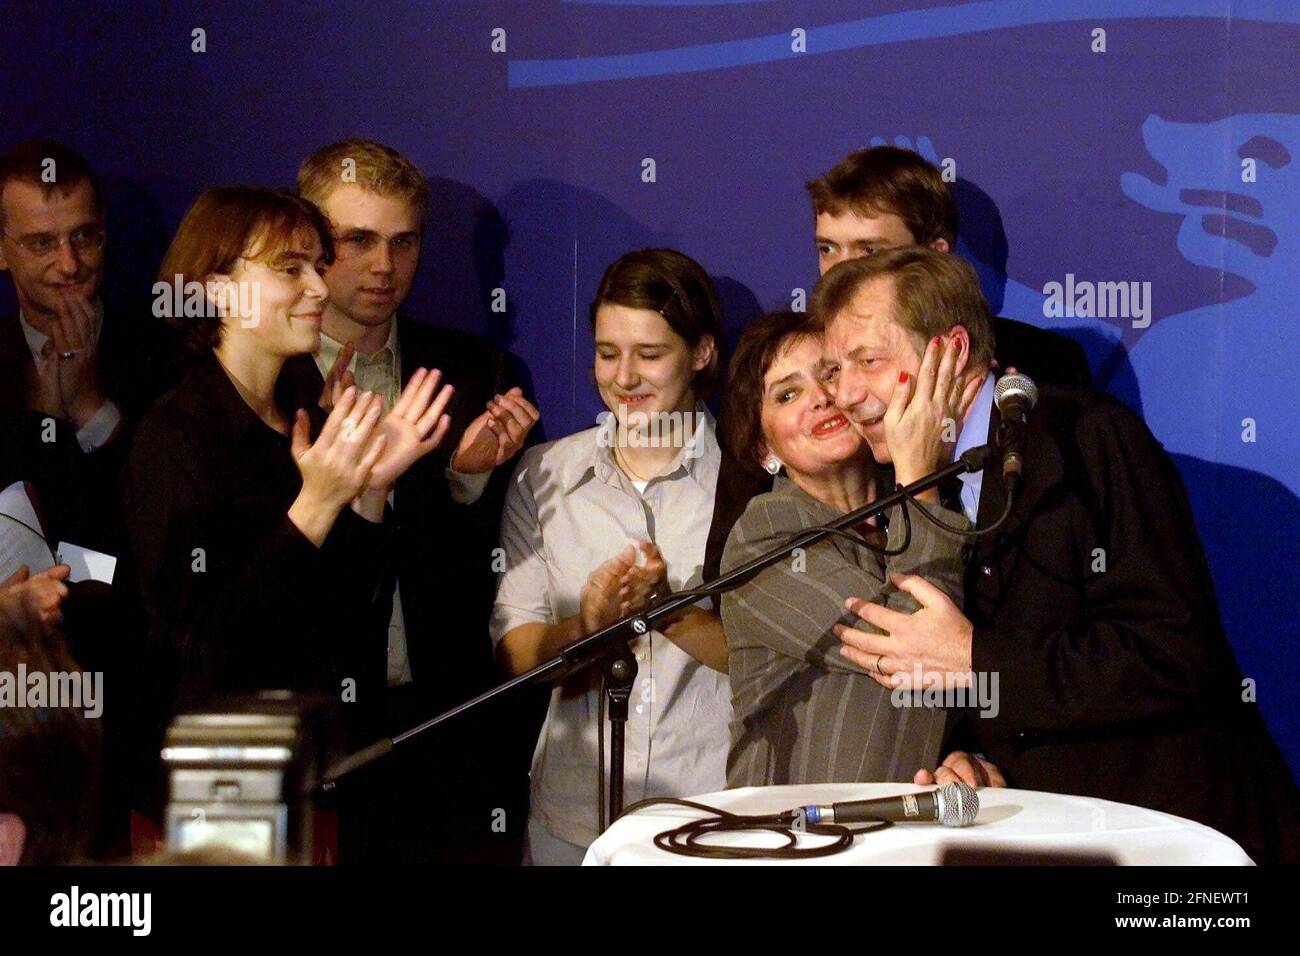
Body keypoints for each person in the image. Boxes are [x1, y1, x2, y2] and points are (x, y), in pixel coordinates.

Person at [819, 246, 1300, 864]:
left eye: (869, 361)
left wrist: (974, 658)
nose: (847, 394)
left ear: (953, 352)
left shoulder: (1084, 438)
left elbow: (1174, 655)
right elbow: (958, 669)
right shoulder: (905, 486)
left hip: (1177, 842)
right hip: (1052, 836)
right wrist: (970, 753)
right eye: (835, 370)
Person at [121, 187, 454, 846]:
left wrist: (370, 490)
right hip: (215, 795)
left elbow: (342, 625)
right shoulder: (174, 436)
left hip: (316, 773)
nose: (318, 287)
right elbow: (205, 651)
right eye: (289, 268)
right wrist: (318, 502)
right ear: (217, 289)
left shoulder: (304, 420)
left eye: (315, 264)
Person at [286, 139, 540, 863]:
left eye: (403, 241)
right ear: (309, 242)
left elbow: (507, 573)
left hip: (444, 734)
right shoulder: (264, 383)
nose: (383, 266)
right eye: (357, 240)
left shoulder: (479, 374)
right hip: (308, 739)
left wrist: (461, 482)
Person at [704, 144, 1092, 587]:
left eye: (869, 251)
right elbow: (730, 578)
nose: (838, 273)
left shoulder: (1044, 364)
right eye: (827, 248)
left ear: (936, 254)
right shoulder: (787, 367)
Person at [492, 249, 731, 864]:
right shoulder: (543, 474)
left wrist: (664, 608)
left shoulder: (749, 483)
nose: (624, 378)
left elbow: (772, 660)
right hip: (571, 820)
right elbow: (519, 655)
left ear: (701, 353)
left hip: (716, 818)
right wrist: (588, 630)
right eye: (607, 353)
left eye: (650, 355)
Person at [718, 310, 978, 786]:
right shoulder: (763, 537)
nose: (820, 399)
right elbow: (910, 644)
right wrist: (917, 476)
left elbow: (964, 666)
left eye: (831, 375)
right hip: (799, 840)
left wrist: (969, 754)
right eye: (788, 394)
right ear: (763, 448)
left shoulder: (946, 505)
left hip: (910, 835)